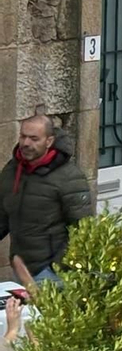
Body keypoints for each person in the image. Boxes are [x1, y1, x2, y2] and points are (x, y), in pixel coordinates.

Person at [0, 114, 92, 280]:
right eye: (23, 136)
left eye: (34, 138)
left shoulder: (69, 177)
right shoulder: (12, 170)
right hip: (21, 268)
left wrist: (57, 267)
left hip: (52, 273)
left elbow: (83, 229)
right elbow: (2, 215)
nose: (26, 143)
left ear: (49, 141)